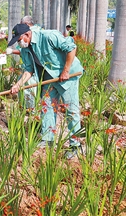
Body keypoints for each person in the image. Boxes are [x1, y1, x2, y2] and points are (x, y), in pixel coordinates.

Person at [8, 23, 84, 159]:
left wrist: (66, 71)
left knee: (71, 110)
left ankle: (76, 146)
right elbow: (29, 69)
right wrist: (18, 84)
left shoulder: (48, 36)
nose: (19, 44)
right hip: (48, 78)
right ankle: (48, 139)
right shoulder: (25, 49)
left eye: (19, 40)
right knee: (47, 106)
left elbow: (71, 48)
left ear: (27, 34)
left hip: (67, 77)